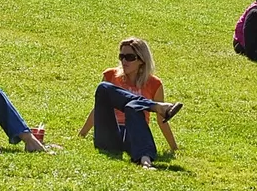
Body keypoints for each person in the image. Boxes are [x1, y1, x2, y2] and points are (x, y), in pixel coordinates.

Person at [78, 38, 182, 169]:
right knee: (103, 88)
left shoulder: (154, 84)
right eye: (121, 56)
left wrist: (174, 147)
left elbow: (162, 120)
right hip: (109, 134)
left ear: (142, 60)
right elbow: (98, 109)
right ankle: (153, 106)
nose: (124, 61)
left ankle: (145, 161)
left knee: (132, 107)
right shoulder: (111, 75)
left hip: (134, 132)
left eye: (130, 57)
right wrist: (81, 135)